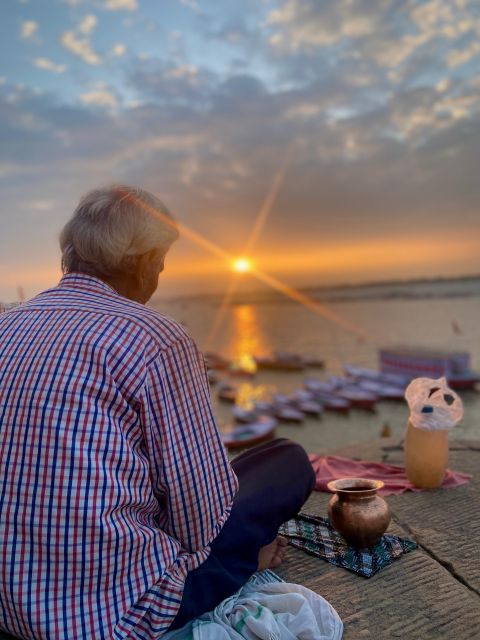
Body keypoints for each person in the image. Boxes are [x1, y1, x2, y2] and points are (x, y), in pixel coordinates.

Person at [0, 185, 315, 640]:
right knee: (286, 461)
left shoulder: (8, 324)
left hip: (8, 600)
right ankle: (249, 560)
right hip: (107, 615)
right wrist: (244, 545)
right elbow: (200, 519)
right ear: (146, 261)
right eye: (162, 263)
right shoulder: (156, 336)